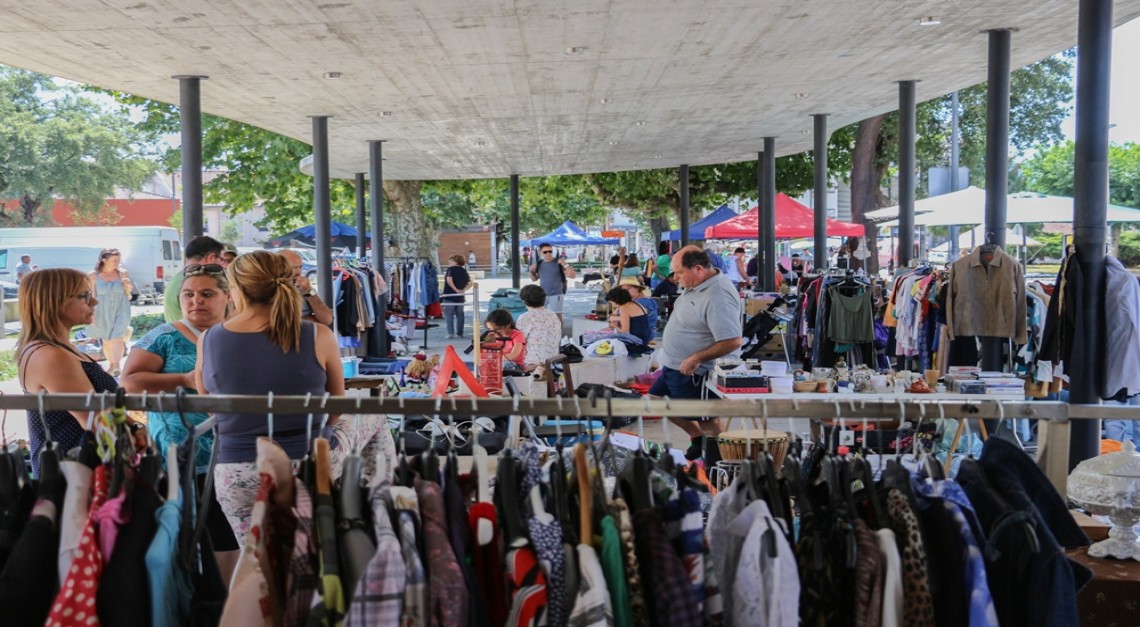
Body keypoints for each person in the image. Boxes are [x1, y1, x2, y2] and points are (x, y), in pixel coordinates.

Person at [195, 251, 346, 542]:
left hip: (236, 471)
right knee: (313, 554)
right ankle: (378, 506)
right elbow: (337, 405)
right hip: (307, 464)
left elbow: (210, 405)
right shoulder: (318, 335)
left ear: (236, 290)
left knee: (253, 561)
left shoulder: (209, 339)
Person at [120, 262, 240, 580]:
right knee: (182, 531)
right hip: (178, 452)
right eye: (188, 294)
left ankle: (222, 596)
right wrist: (185, 379)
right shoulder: (164, 336)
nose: (195, 301)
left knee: (228, 532)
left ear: (228, 296)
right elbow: (129, 383)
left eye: (206, 294)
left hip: (234, 451)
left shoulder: (239, 333)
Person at [18, 269, 118, 476]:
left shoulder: (54, 348)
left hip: (77, 469)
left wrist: (135, 427)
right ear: (54, 302)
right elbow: (94, 420)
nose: (94, 302)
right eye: (84, 296)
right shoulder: (51, 355)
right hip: (71, 476)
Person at [650, 245, 743, 462]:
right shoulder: (698, 283)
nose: (675, 277)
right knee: (655, 400)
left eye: (679, 272)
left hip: (697, 372)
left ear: (699, 269)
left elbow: (732, 340)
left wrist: (696, 358)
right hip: (674, 365)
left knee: (708, 421)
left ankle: (720, 463)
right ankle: (698, 439)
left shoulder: (718, 295)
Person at [86, 248, 134, 376]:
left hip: (121, 307)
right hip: (101, 309)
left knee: (117, 337)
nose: (117, 263)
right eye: (114, 260)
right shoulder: (93, 276)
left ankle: (117, 366)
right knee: (106, 339)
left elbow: (128, 292)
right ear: (104, 260)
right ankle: (112, 366)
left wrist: (127, 284)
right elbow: (91, 295)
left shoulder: (123, 273)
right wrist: (91, 312)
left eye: (118, 260)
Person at [165, 235, 226, 322]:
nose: (223, 265)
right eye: (222, 260)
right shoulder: (200, 282)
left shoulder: (177, 279)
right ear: (211, 258)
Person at [277, 249, 334, 325]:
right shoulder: (269, 289)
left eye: (300, 267)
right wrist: (312, 320)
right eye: (293, 267)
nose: (298, 272)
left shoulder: (302, 288)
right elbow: (278, 323)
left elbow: (327, 319)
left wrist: (309, 292)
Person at [528, 241, 577, 324]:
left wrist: (565, 264)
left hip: (556, 294)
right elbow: (534, 279)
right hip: (542, 294)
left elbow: (572, 276)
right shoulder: (539, 264)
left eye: (550, 251)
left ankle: (559, 332)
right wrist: (531, 271)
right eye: (545, 252)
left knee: (557, 316)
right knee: (539, 315)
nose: (548, 253)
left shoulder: (558, 263)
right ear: (541, 253)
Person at [516, 284, 562, 370]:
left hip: (532, 363)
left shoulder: (526, 317)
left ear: (524, 301)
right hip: (552, 362)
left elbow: (517, 342)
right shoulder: (553, 315)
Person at [442, 254, 471, 338]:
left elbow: (449, 280)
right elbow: (470, 283)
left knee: (449, 314)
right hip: (460, 296)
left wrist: (455, 290)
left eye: (451, 261)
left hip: (449, 295)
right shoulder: (464, 271)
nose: (449, 262)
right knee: (460, 314)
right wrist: (463, 290)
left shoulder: (450, 270)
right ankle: (460, 333)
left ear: (456, 262)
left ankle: (451, 333)